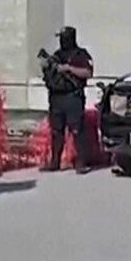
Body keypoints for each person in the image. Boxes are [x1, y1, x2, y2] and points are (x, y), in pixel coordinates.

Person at [40, 26, 94, 174]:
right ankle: (55, 162)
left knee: (77, 130)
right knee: (57, 132)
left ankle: (81, 163)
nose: (62, 41)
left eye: (64, 37)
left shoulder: (80, 54)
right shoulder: (56, 55)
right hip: (56, 97)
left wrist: (69, 68)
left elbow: (88, 73)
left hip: (73, 98)